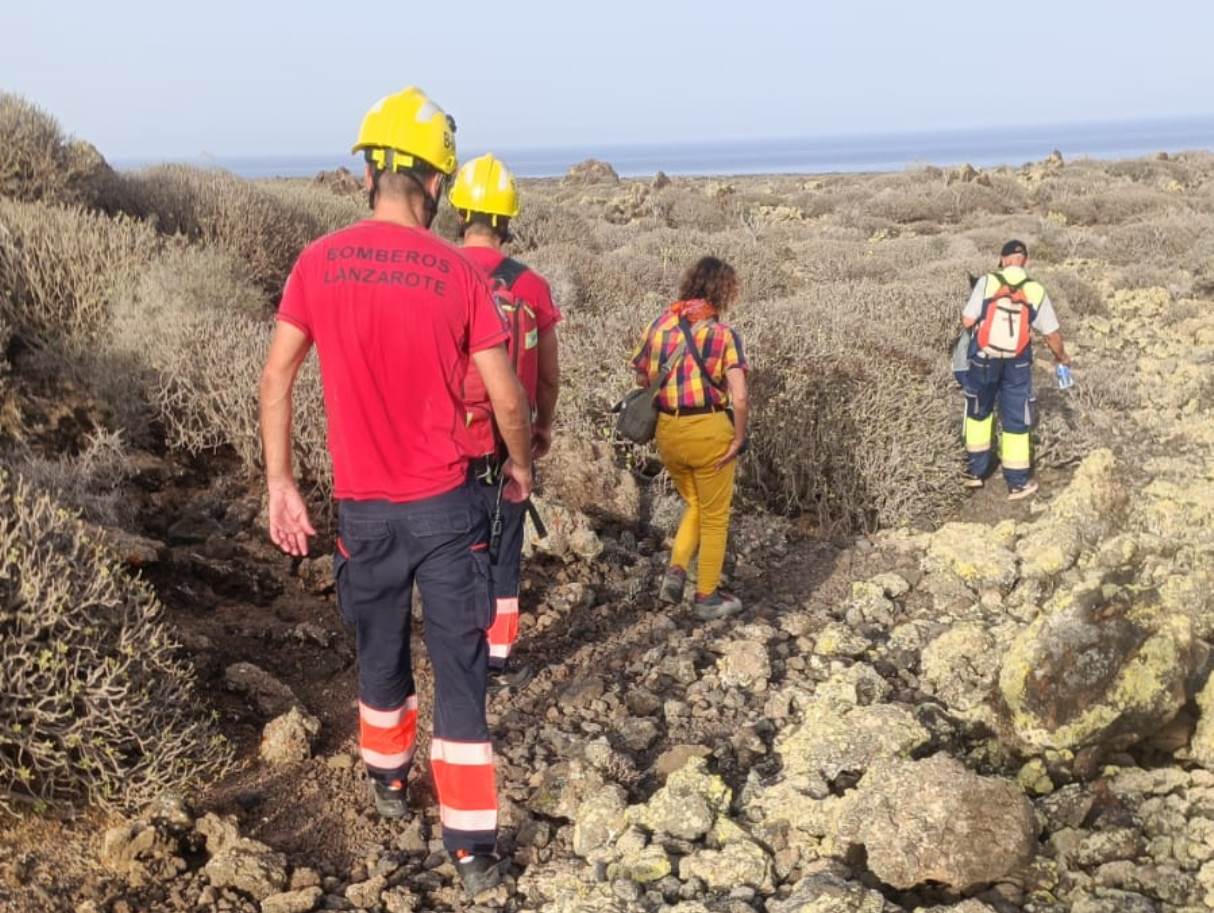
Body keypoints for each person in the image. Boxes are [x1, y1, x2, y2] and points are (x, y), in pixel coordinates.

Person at [258, 86, 532, 897]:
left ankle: (386, 784)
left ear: (369, 172)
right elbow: (507, 394)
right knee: (460, 667)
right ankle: (472, 849)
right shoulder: (458, 272)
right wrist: (519, 465)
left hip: (364, 511)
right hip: (449, 511)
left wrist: (280, 482)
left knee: (379, 653)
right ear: (438, 184)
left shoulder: (317, 261)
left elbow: (277, 376)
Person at [449, 153, 562, 691]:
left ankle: (457, 645)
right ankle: (497, 652)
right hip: (506, 445)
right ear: (507, 218)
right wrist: (540, 429)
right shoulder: (531, 286)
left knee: (451, 548)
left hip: (446, 446)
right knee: (504, 544)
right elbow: (547, 377)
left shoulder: (438, 272)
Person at [631, 256, 750, 620]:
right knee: (715, 517)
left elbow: (641, 379)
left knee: (695, 504)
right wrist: (738, 437)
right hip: (710, 431)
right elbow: (740, 395)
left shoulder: (659, 325)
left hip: (668, 432)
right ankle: (706, 597)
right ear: (723, 291)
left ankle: (677, 570)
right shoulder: (723, 335)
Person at [960, 239, 1071, 500]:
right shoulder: (1035, 290)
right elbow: (1052, 334)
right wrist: (1062, 357)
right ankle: (1017, 482)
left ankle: (974, 472)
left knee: (979, 411)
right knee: (1016, 418)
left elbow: (967, 319)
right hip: (1018, 361)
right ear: (1026, 260)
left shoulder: (988, 282)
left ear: (1002, 259)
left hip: (984, 357)